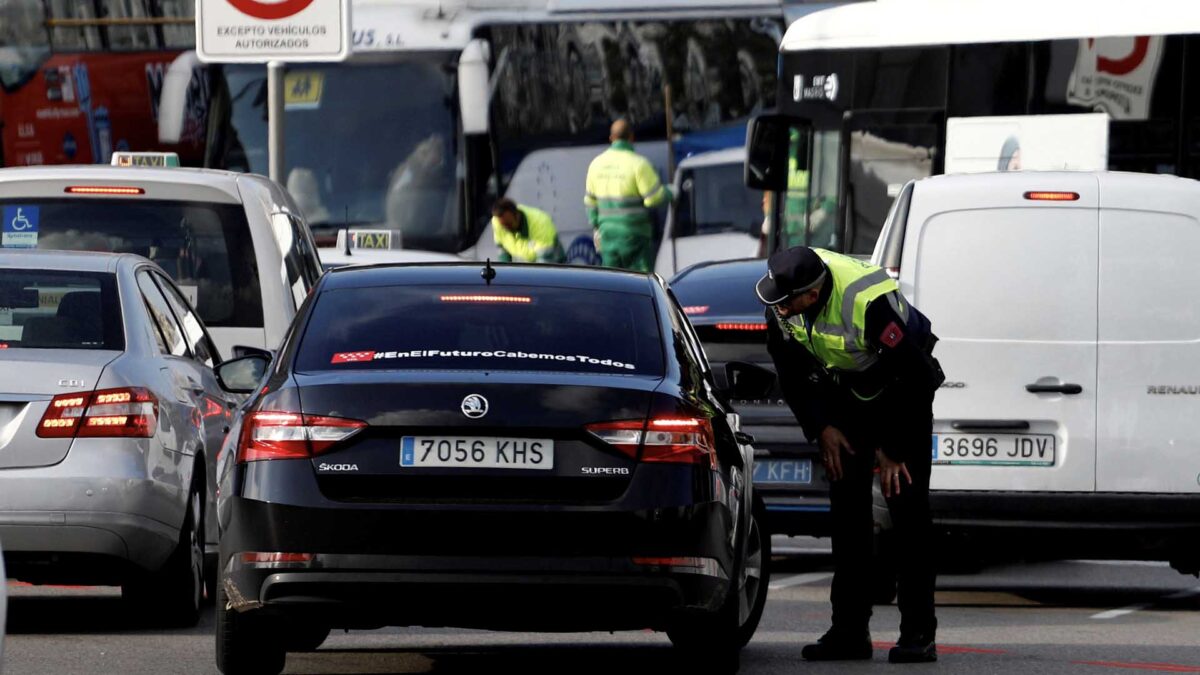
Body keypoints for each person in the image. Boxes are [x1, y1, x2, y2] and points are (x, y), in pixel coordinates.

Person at [756, 246, 944, 664]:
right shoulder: (781, 302)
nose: (778, 309)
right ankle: (849, 631)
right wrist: (822, 427)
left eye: (787, 302)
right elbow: (790, 374)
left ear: (812, 293)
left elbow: (918, 376)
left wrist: (894, 449)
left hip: (902, 389)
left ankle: (918, 634)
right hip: (847, 391)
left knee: (907, 512)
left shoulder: (867, 304)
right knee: (847, 516)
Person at [583, 119, 669, 272]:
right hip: (635, 236)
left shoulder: (596, 164)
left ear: (611, 138)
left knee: (611, 283)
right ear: (631, 137)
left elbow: (590, 203)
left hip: (608, 236)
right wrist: (671, 192)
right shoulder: (639, 164)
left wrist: (597, 225)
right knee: (641, 284)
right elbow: (654, 198)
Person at [491, 198, 565, 263]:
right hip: (526, 265)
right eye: (503, 226)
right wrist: (505, 272)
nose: (506, 229)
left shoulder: (541, 224)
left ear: (517, 215)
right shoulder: (497, 222)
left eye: (509, 224)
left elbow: (544, 264)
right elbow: (502, 248)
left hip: (553, 266)